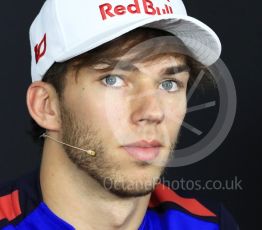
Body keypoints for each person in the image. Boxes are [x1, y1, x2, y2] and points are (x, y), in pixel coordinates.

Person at [0, 0, 238, 229]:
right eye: (113, 80)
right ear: (46, 105)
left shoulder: (208, 224)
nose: (153, 112)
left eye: (168, 84)